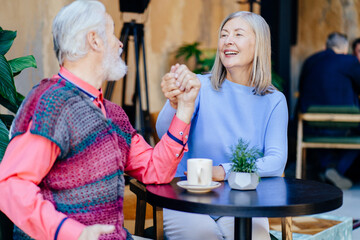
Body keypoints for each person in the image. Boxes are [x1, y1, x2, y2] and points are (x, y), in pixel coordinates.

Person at [0, 1, 200, 240]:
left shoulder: (112, 113)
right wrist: (75, 234)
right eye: (112, 33)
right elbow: (10, 185)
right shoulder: (50, 103)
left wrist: (185, 109)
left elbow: (154, 170)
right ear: (94, 40)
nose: (120, 43)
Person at [156, 11, 288, 240]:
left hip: (243, 198)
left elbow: (276, 162)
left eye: (238, 34)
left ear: (259, 44)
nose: (228, 41)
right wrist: (175, 103)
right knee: (204, 236)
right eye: (224, 35)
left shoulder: (274, 100)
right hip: (188, 196)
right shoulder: (200, 86)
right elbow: (162, 133)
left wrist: (223, 171)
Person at [298, 32, 360, 189]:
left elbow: (301, 89)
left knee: (323, 133)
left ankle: (326, 167)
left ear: (325, 47)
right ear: (345, 50)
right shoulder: (349, 61)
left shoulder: (309, 61)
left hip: (309, 126)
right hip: (342, 126)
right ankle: (334, 169)